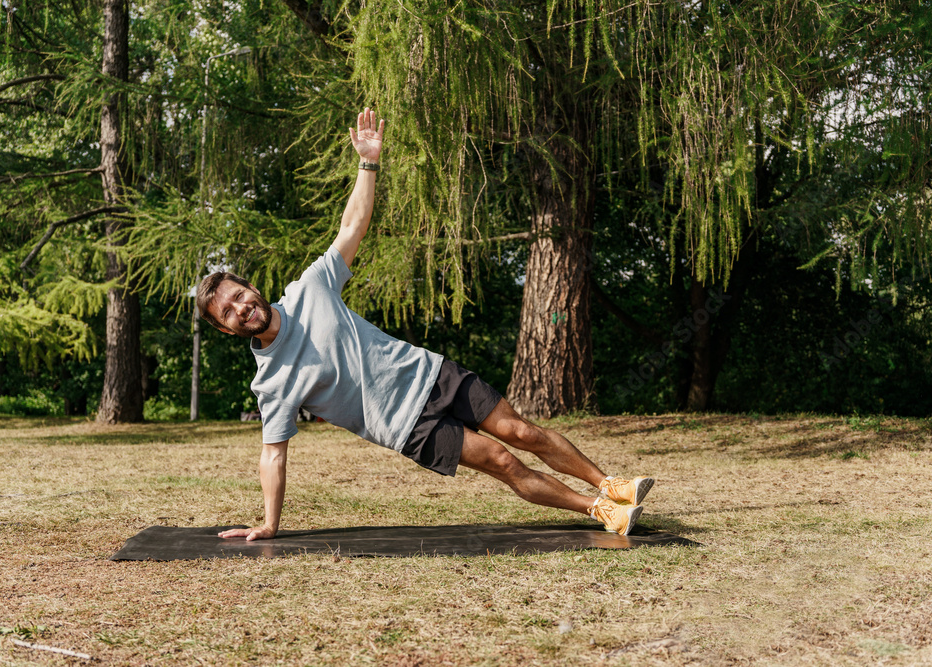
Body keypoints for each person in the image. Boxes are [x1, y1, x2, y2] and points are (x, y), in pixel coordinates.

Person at [197, 108, 654, 540]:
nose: (241, 308)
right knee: (503, 460)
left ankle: (611, 485)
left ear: (251, 287)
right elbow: (273, 454)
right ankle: (600, 511)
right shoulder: (271, 382)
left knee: (523, 433)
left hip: (431, 374)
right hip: (406, 426)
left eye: (238, 296)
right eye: (228, 312)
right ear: (225, 329)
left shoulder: (310, 288)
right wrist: (269, 524)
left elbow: (352, 227)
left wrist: (368, 164)